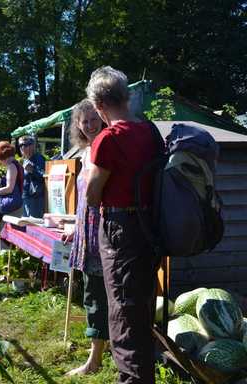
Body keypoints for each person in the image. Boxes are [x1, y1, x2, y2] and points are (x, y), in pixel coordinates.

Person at [85, 66, 162, 384]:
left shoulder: (107, 139)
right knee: (141, 304)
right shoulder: (150, 131)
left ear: (99, 105)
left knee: (121, 308)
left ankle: (132, 380)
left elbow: (92, 193)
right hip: (152, 226)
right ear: (126, 96)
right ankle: (145, 374)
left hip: (120, 227)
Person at [64, 99, 108, 375]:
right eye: (85, 121)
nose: (90, 125)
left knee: (98, 295)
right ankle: (99, 351)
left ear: (102, 119)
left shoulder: (105, 146)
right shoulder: (85, 151)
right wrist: (75, 226)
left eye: (94, 119)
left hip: (102, 232)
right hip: (87, 231)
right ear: (78, 125)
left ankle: (95, 359)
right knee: (94, 292)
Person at [0, 141, 24, 251]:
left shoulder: (11, 167)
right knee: (13, 236)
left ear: (2, 156)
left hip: (12, 207)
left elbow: (9, 188)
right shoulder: (17, 164)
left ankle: (5, 259)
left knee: (5, 235)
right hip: (17, 205)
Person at [18, 136, 45, 218]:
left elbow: (45, 176)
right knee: (26, 224)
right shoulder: (26, 160)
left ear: (33, 145)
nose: (23, 147)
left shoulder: (38, 158)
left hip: (35, 199)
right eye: (20, 145)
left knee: (34, 225)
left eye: (26, 144)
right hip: (26, 197)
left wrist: (32, 170)